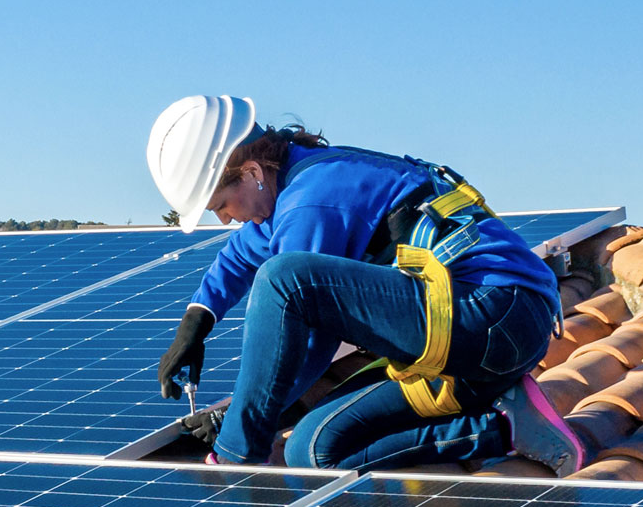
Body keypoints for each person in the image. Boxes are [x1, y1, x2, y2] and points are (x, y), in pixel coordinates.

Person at [144, 95, 586, 474]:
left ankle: (239, 458)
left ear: (253, 171)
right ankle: (505, 425)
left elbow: (305, 338)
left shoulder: (316, 196)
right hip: (462, 344)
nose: (223, 219)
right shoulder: (291, 188)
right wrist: (196, 324)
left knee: (282, 281)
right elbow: (240, 253)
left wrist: (236, 431)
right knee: (311, 450)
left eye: (221, 204)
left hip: (497, 314)